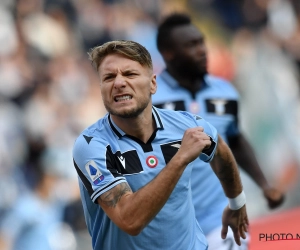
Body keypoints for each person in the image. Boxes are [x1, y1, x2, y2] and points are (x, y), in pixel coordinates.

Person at [72, 40, 249, 250]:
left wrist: (237, 202)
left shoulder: (187, 125)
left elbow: (220, 152)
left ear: (153, 84)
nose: (118, 83)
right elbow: (130, 220)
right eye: (109, 77)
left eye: (130, 74)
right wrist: (179, 159)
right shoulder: (92, 145)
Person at [152, 13, 285, 249]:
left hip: (220, 220)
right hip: (171, 229)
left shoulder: (224, 91)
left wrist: (265, 185)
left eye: (201, 42)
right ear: (169, 54)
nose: (202, 50)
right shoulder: (151, 101)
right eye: (191, 45)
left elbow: (234, 139)